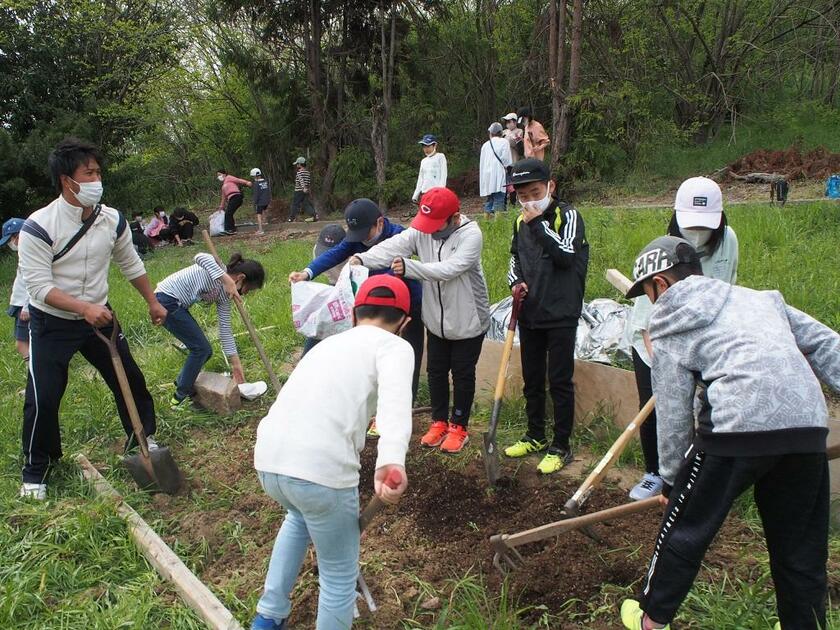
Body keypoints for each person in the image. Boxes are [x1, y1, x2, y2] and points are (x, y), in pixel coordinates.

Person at [619, 235, 839, 630]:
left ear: (662, 285)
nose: (652, 302)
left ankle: (651, 618)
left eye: (649, 293)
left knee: (684, 528)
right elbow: (826, 344)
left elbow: (672, 408)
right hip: (807, 428)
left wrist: (671, 479)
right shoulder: (761, 299)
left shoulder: (668, 316)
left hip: (734, 430)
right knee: (802, 548)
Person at [251, 274, 413, 630]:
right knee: (339, 577)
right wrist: (390, 463)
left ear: (354, 315)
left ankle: (268, 616)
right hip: (320, 471)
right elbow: (395, 409)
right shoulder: (395, 346)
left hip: (270, 461)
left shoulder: (327, 344)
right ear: (405, 323)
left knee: (298, 517)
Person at [17, 137, 167, 500]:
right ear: (67, 181)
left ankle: (141, 439)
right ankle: (37, 469)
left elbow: (130, 262)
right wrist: (83, 309)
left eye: (98, 172)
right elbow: (37, 287)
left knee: (129, 379)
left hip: (100, 317)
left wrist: (152, 301)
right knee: (45, 395)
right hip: (52, 322)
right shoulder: (38, 227)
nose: (97, 179)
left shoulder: (111, 219)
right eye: (89, 173)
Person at [350, 187, 489, 454]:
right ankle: (438, 421)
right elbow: (393, 247)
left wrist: (411, 268)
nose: (430, 230)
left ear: (455, 217)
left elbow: (452, 268)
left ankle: (459, 426)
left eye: (436, 224)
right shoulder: (423, 230)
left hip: (468, 318)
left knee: (462, 374)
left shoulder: (471, 235)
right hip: (435, 318)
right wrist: (362, 259)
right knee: (436, 371)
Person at [627, 176, 739, 501]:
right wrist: (666, 368)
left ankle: (693, 476)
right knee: (659, 407)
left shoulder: (728, 241)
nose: (698, 231)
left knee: (698, 409)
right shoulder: (661, 251)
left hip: (701, 342)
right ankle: (654, 474)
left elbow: (726, 290)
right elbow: (647, 322)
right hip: (653, 340)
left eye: (705, 225)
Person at [289, 200, 424, 399]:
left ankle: (406, 399)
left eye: (364, 234)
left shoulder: (399, 236)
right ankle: (372, 398)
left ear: (379, 223)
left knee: (409, 352)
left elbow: (397, 273)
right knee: (374, 355)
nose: (361, 240)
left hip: (407, 305)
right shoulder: (357, 238)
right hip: (373, 309)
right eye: (356, 235)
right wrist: (307, 273)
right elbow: (335, 253)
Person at [504, 159, 589, 473]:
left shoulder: (567, 216)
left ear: (550, 187)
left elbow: (566, 255)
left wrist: (538, 223)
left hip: (562, 311)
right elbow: (515, 258)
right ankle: (535, 434)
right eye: (522, 195)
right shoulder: (518, 222)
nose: (528, 201)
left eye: (535, 192)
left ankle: (561, 445)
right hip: (531, 312)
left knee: (560, 381)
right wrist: (515, 282)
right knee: (532, 379)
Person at [155, 252, 265, 409]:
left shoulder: (224, 296)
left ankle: (182, 381)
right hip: (165, 300)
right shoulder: (217, 268)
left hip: (176, 305)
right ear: (241, 278)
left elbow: (225, 331)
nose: (245, 293)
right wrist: (225, 279)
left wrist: (236, 364)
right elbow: (199, 256)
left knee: (203, 350)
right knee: (201, 349)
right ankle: (179, 398)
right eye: (248, 289)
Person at [3, 218, 29, 361]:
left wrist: (27, 307)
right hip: (20, 305)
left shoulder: (29, 255)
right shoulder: (23, 254)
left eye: (10, 239)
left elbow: (34, 282)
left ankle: (33, 373)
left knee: (22, 343)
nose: (10, 244)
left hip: (25, 307)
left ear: (19, 236)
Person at [479, 122, 512, 219]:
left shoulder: (485, 145)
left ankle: (486, 222)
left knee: (490, 199)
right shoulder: (504, 142)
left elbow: (482, 162)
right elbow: (507, 160)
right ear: (500, 132)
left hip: (487, 176)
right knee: (499, 198)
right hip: (498, 173)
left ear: (491, 133)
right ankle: (498, 224)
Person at [412, 134, 447, 203]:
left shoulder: (440, 157)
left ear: (435, 145)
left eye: (428, 146)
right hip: (425, 193)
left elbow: (443, 175)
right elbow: (420, 178)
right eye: (424, 146)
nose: (426, 149)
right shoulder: (423, 161)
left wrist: (440, 192)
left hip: (436, 193)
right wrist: (415, 195)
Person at [217, 169, 252, 234]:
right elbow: (223, 197)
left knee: (228, 213)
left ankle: (229, 229)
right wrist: (221, 206)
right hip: (231, 199)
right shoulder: (223, 186)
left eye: (219, 175)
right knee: (229, 213)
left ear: (224, 174)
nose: (218, 177)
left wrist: (246, 182)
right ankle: (232, 228)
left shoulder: (229, 177)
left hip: (236, 196)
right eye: (218, 176)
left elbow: (238, 180)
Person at [288, 157, 318, 223]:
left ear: (300, 164)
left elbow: (301, 181)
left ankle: (291, 218)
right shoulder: (307, 173)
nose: (296, 165)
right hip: (305, 191)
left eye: (297, 164)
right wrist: (308, 191)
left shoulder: (299, 173)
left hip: (299, 191)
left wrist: (303, 188)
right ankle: (315, 215)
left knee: (295, 204)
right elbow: (309, 183)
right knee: (306, 204)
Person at [250, 167, 272, 235]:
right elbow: (268, 191)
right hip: (266, 200)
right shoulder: (265, 181)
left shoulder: (256, 184)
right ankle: (265, 223)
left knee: (259, 215)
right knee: (264, 212)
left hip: (260, 202)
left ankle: (260, 230)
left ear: (255, 176)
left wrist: (254, 202)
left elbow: (256, 194)